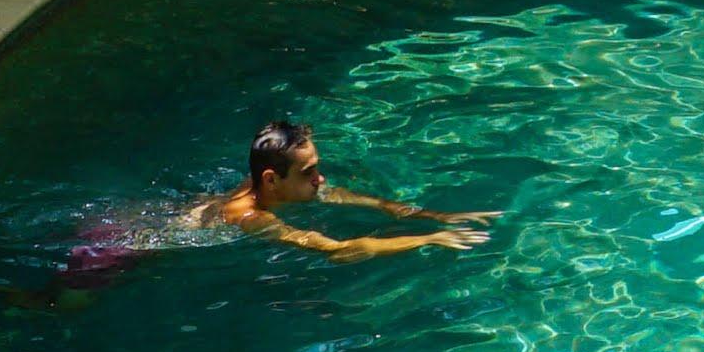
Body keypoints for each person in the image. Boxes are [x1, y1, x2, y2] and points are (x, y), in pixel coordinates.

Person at [202, 119, 496, 260]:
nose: (321, 179)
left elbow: (347, 197)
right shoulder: (255, 219)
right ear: (271, 180)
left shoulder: (262, 183)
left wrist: (438, 216)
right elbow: (340, 251)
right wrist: (430, 238)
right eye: (308, 173)